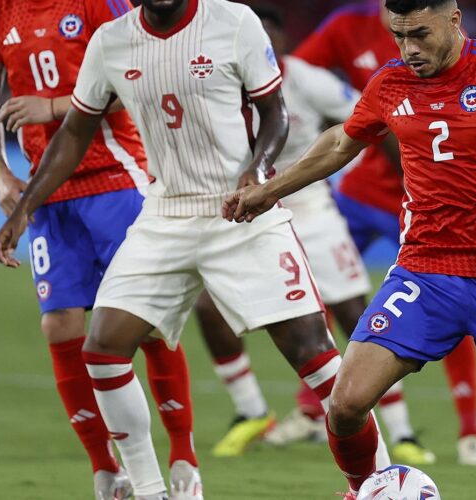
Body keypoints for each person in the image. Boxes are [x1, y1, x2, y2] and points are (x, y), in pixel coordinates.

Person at [0, 0, 389, 498]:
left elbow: (274, 113)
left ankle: (375, 486)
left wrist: (260, 169)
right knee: (103, 349)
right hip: (164, 214)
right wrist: (25, 207)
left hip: (241, 210)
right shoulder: (112, 41)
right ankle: (151, 489)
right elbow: (75, 132)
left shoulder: (234, 22)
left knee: (316, 355)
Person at [224, 0, 476, 498]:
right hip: (423, 272)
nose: (408, 48)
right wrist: (269, 189)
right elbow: (342, 142)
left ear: (454, 19)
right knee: (345, 404)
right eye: (399, 34)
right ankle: (364, 492)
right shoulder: (390, 81)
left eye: (420, 34)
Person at [0, 1, 195, 498]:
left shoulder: (100, 2)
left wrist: (52, 107)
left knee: (149, 322)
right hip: (47, 190)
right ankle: (106, 470)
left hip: (117, 179)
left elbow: (144, 74)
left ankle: (183, 456)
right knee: (59, 325)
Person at [260, 0, 476, 465]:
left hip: (426, 199)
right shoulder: (349, 26)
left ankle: (469, 431)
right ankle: (313, 410)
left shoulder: (455, 42)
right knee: (318, 289)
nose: (406, 43)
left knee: (456, 295)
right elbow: (292, 79)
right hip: (363, 193)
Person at [198, 4, 373, 459]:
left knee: (349, 315)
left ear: (282, 41)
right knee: (207, 306)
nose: (263, 47)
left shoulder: (306, 79)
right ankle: (251, 409)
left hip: (310, 210)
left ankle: (393, 430)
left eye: (269, 37)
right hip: (242, 212)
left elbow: (365, 116)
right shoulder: (216, 80)